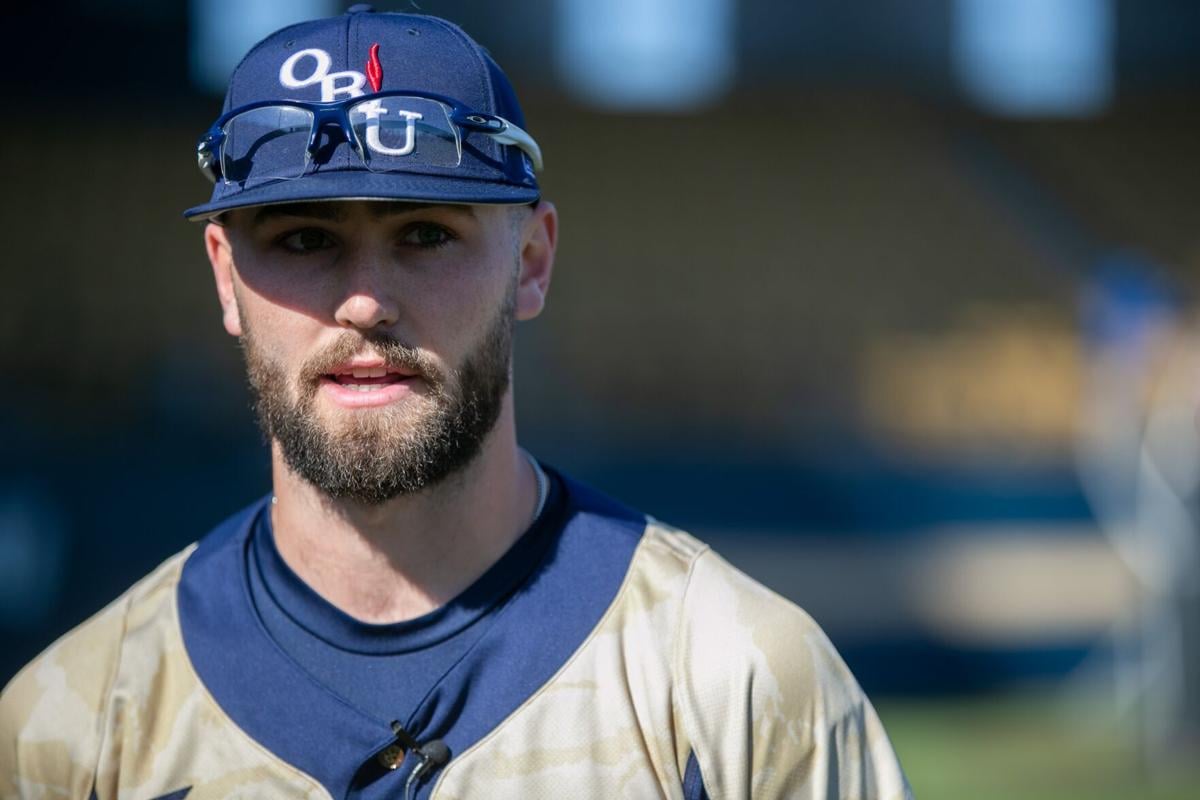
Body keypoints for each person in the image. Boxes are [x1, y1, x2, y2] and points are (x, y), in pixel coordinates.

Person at [0, 7, 913, 799]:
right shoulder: (68, 726)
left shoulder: (739, 679)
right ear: (226, 280)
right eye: (305, 236)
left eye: (426, 232)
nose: (365, 301)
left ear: (531, 261)